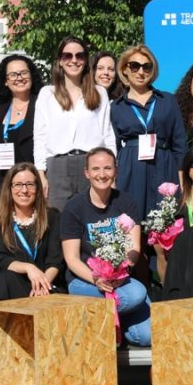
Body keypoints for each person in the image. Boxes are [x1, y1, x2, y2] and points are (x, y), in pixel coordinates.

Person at [60, 148, 152, 346]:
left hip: (121, 280)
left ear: (116, 171)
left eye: (108, 168)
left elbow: (134, 248)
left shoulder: (126, 202)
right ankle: (100, 324)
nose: (102, 174)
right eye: (96, 169)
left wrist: (120, 271)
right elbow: (72, 258)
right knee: (136, 294)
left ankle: (108, 322)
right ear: (86, 173)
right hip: (85, 280)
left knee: (147, 335)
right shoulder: (74, 207)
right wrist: (96, 279)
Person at [33, 37, 116, 211]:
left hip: (92, 165)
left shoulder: (99, 92)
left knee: (95, 219)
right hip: (57, 167)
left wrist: (112, 171)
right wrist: (41, 174)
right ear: (59, 61)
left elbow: (107, 135)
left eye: (79, 56)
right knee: (59, 222)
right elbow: (40, 136)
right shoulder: (47, 93)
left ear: (86, 61)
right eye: (67, 56)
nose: (74, 60)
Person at [110, 45, 187, 221]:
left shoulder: (168, 100)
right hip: (130, 168)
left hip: (164, 166)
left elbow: (180, 142)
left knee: (165, 221)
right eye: (135, 66)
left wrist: (181, 177)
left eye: (147, 66)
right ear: (125, 69)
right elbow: (112, 146)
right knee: (131, 220)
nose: (141, 72)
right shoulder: (116, 107)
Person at [0, 54, 41, 219]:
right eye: (13, 74)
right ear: (5, 80)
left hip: (32, 190)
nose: (19, 78)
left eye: (23, 73)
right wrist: (2, 188)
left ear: (31, 76)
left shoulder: (42, 105)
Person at [0, 162, 64, 299]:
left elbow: (55, 260)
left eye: (30, 184)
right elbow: (0, 259)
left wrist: (42, 284)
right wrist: (29, 268)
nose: (24, 190)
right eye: (18, 185)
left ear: (38, 188)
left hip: (47, 285)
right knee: (5, 278)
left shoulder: (52, 216)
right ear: (9, 189)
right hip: (15, 285)